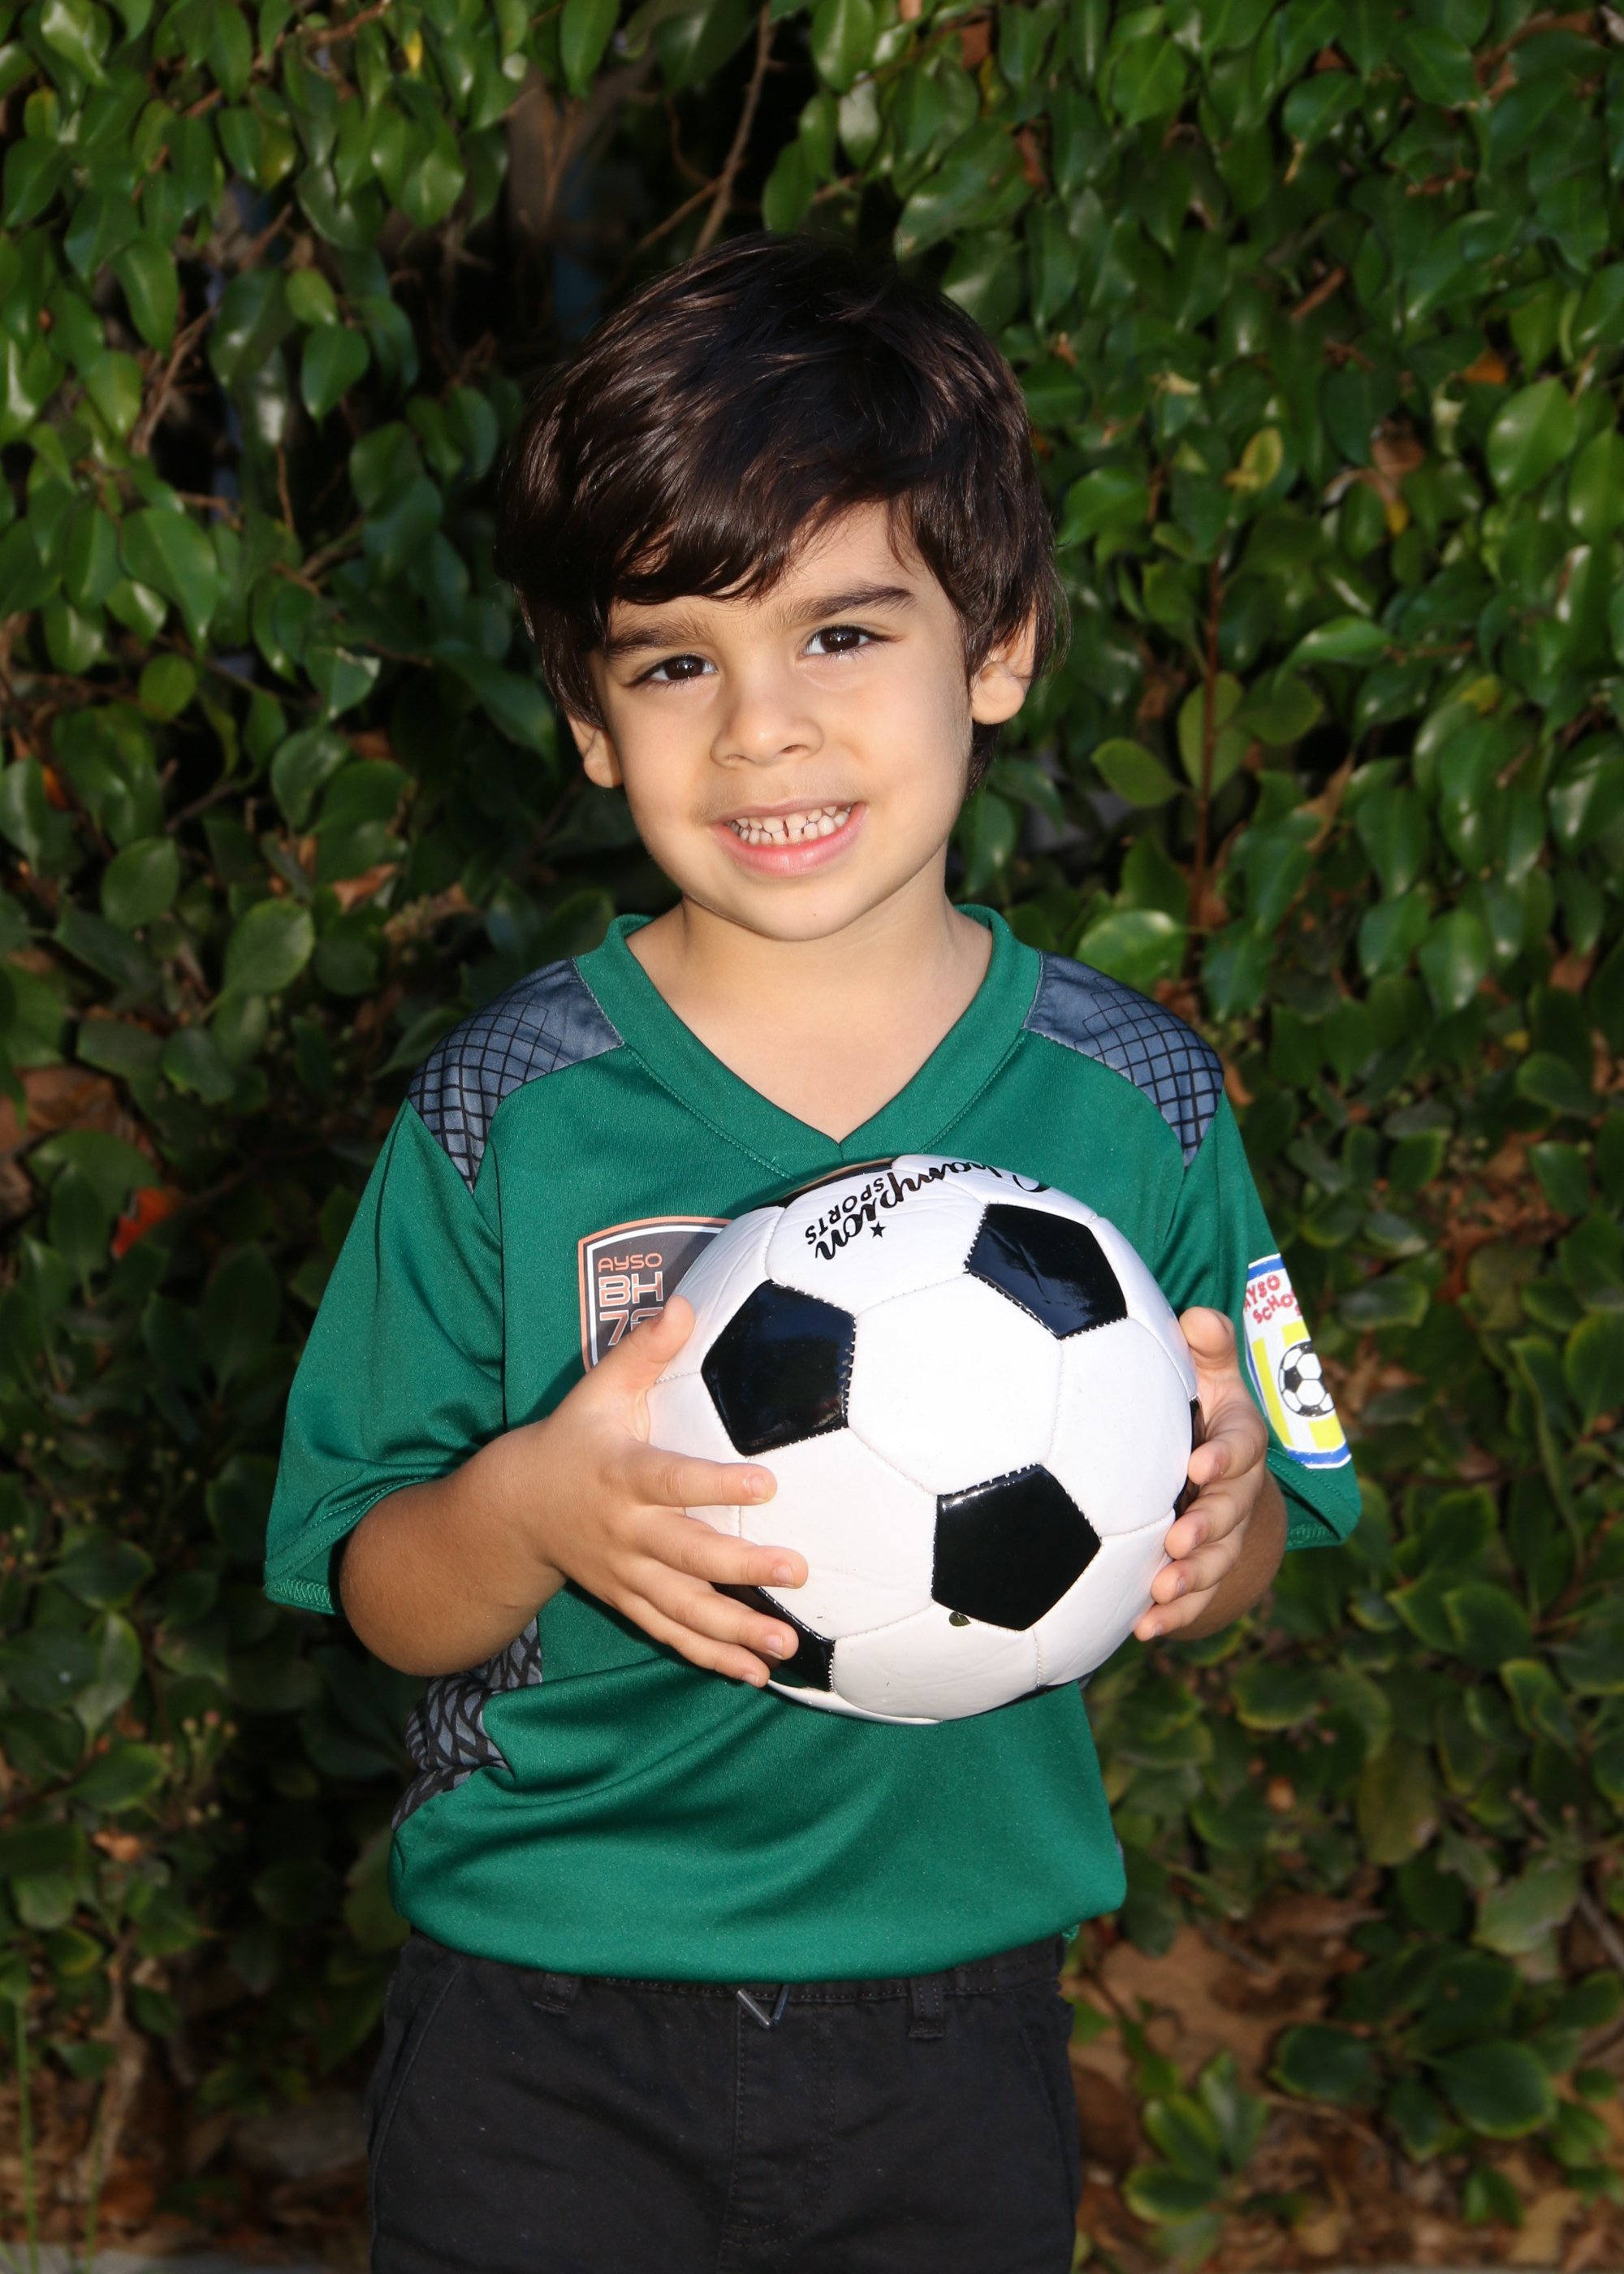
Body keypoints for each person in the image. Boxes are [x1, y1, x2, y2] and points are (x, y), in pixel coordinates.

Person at [264, 234, 1359, 2274]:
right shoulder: (510, 1108)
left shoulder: (1137, 1100)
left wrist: (1221, 1528)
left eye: (842, 632)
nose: (763, 729)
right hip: (545, 2018)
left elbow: (1265, 1514)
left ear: (997, 643)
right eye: (676, 661)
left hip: (955, 2022)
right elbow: (377, 1588)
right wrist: (531, 1507)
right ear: (588, 718)